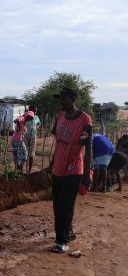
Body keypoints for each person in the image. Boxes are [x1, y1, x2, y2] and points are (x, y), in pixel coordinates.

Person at [50, 87, 92, 254]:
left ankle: (62, 241)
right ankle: (68, 231)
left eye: (63, 99)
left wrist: (87, 174)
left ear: (72, 99)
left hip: (74, 168)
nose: (60, 102)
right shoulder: (60, 116)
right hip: (57, 167)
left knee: (64, 206)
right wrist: (52, 163)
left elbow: (88, 148)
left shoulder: (85, 119)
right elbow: (58, 142)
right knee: (57, 205)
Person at [24, 109, 41, 174]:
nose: (35, 112)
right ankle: (24, 169)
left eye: (35, 111)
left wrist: (36, 128)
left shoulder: (36, 117)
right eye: (34, 110)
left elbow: (39, 123)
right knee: (25, 152)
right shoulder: (25, 117)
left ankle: (29, 170)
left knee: (31, 154)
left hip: (33, 136)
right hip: (25, 136)